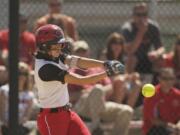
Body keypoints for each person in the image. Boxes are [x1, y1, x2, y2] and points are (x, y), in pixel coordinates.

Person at [34, 24, 125, 135]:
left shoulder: (55, 55)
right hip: (51, 118)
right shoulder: (46, 68)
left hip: (67, 113)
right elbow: (82, 80)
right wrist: (107, 73)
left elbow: (79, 61)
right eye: (55, 46)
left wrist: (105, 64)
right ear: (44, 47)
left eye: (60, 45)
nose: (59, 48)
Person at [68, 40, 133, 135]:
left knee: (126, 111)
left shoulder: (97, 70)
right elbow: (69, 97)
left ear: (88, 53)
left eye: (84, 51)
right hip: (81, 107)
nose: (81, 55)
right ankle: (96, 128)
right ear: (73, 55)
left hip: (100, 104)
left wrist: (96, 92)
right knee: (97, 90)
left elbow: (110, 88)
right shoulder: (70, 72)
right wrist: (88, 93)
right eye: (78, 52)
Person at [121, 2, 164, 83]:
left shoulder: (153, 27)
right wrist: (141, 32)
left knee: (161, 58)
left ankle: (156, 84)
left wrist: (157, 53)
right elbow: (130, 50)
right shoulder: (127, 28)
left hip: (146, 56)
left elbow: (161, 48)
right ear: (133, 16)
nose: (142, 18)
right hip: (129, 58)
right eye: (138, 15)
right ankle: (129, 85)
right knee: (132, 58)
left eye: (144, 14)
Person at [100, 32, 142, 108]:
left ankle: (128, 111)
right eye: (114, 43)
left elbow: (125, 74)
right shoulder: (105, 56)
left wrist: (132, 76)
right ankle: (117, 111)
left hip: (122, 85)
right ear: (110, 45)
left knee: (137, 84)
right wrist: (125, 77)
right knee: (119, 81)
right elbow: (107, 76)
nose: (117, 46)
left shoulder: (122, 59)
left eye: (120, 44)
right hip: (108, 86)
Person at [0, 62, 35, 135]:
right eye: (19, 73)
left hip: (20, 125)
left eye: (24, 74)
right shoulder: (4, 90)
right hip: (5, 124)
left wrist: (18, 124)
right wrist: (9, 124)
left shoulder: (29, 95)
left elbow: (26, 116)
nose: (21, 76)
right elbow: (2, 113)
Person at [143, 68, 180, 135]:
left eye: (171, 79)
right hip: (154, 128)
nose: (168, 81)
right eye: (165, 78)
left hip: (173, 127)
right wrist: (169, 126)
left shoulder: (177, 95)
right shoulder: (152, 94)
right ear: (159, 79)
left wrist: (178, 125)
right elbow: (152, 120)